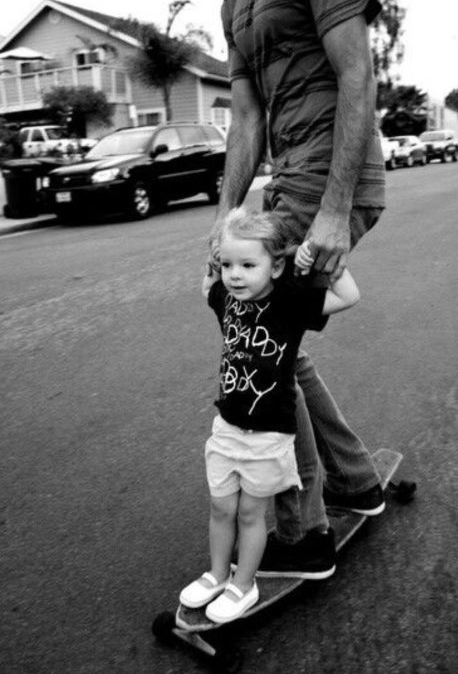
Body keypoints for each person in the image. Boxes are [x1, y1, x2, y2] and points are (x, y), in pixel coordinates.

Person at [212, 0, 387, 578]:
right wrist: (225, 222)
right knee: (277, 338)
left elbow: (357, 73)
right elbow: (246, 117)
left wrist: (336, 211)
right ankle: (356, 480)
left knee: (260, 341)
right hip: (288, 175)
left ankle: (304, 531)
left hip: (329, 173)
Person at [180, 208, 360, 623]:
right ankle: (216, 575)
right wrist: (214, 255)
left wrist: (323, 259)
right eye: (228, 265)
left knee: (249, 513)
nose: (235, 275)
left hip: (268, 434)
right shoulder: (225, 297)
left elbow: (349, 297)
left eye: (247, 265)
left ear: (276, 265)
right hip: (226, 427)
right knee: (220, 509)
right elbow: (207, 284)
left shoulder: (290, 304)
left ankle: (244, 585)